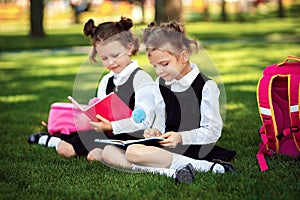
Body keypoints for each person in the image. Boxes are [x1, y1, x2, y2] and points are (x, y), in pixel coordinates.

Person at [99, 21, 236, 182]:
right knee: (108, 151)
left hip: (194, 146)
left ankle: (209, 167)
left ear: (184, 56)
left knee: (132, 152)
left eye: (164, 64)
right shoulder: (161, 84)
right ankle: (172, 172)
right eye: (154, 66)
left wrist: (181, 137)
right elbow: (162, 122)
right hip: (167, 146)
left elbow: (212, 132)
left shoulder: (206, 86)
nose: (159, 71)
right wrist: (155, 132)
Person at [28, 17, 165, 162]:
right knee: (65, 148)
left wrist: (112, 126)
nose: (110, 62)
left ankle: (96, 150)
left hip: (132, 136)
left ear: (129, 48)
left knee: (85, 151)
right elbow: (100, 111)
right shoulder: (107, 81)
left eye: (115, 55)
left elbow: (145, 122)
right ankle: (48, 139)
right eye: (104, 58)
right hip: (108, 134)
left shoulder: (141, 78)